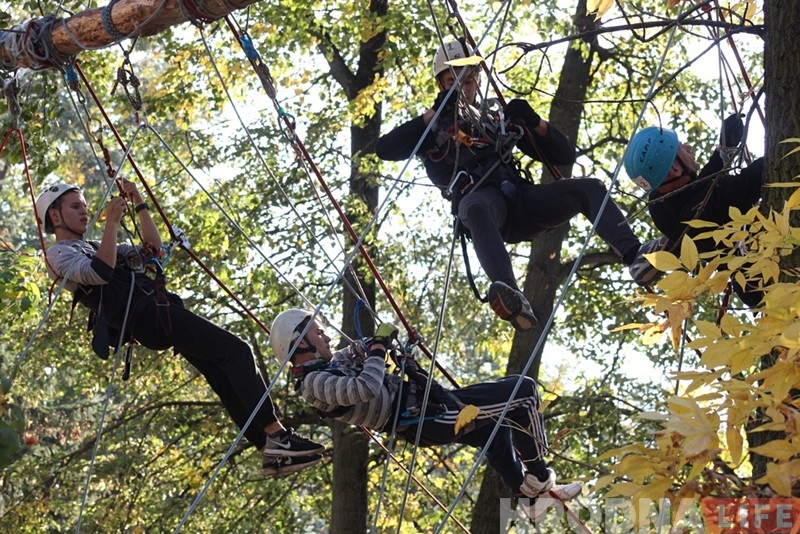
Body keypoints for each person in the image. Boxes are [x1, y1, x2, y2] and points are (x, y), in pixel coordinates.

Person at [35, 180, 325, 477]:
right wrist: (111, 223)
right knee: (238, 351)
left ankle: (268, 450)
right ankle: (277, 434)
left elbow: (153, 249)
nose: (84, 212)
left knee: (220, 370)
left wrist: (139, 202)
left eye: (84, 206)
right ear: (55, 216)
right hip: (149, 318)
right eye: (75, 206)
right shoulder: (57, 255)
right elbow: (101, 272)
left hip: (159, 313)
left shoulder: (95, 246)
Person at [375, 39, 643, 331]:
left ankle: (634, 255)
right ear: (441, 85)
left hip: (523, 201)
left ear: (478, 80)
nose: (462, 89)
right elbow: (385, 149)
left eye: (468, 80)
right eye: (452, 82)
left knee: (589, 188)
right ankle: (511, 295)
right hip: (487, 211)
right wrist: (433, 114)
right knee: (474, 207)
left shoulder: (496, 120)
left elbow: (564, 155)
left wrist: (534, 122)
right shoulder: (430, 130)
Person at [270, 308, 582, 522]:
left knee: (496, 429)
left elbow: (359, 351)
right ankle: (539, 476)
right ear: (299, 342)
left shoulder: (329, 365)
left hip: (427, 407)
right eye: (319, 332)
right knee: (524, 393)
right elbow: (365, 386)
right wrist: (378, 349)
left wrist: (388, 344)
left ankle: (530, 499)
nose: (326, 337)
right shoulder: (313, 383)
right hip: (422, 418)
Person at [624, 114, 764, 306]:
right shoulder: (712, 205)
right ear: (675, 169)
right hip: (764, 276)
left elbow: (698, 189)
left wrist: (723, 150)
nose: (689, 147)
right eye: (681, 148)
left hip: (751, 284)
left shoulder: (661, 204)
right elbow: (763, 170)